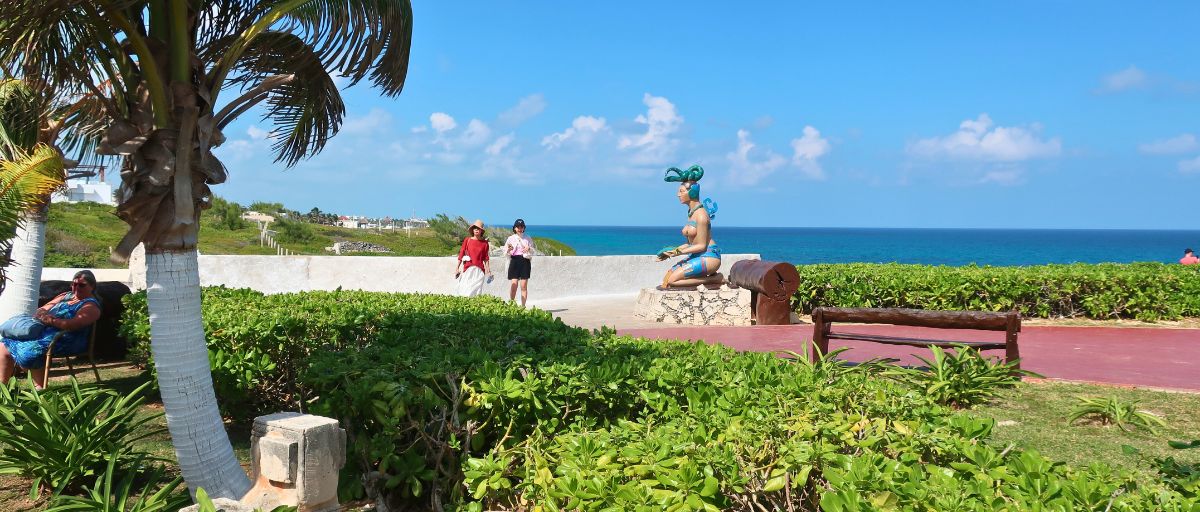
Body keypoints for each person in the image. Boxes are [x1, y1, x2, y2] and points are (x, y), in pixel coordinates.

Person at [0, 270, 101, 388]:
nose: (76, 287)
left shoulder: (91, 306)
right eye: (74, 284)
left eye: (81, 285)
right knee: (4, 344)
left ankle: (40, 389)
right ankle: (3, 387)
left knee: (30, 350)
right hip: (45, 334)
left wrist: (51, 320)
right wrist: (43, 315)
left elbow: (72, 325)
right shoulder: (66, 296)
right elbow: (42, 309)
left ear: (92, 286)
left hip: (67, 340)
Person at [657, 165, 723, 289]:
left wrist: (677, 252)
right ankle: (711, 279)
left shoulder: (701, 216)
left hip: (709, 257)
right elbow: (690, 244)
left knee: (672, 281)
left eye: (681, 191)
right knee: (667, 279)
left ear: (692, 192)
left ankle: (715, 279)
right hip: (697, 255)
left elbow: (701, 246)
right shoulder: (691, 213)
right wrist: (671, 251)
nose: (678, 195)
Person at [455, 220, 493, 296]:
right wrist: (457, 268)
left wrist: (488, 271)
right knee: (465, 290)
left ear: (481, 231)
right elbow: (461, 254)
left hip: (479, 271)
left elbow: (486, 258)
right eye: (475, 228)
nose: (476, 229)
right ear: (472, 230)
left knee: (476, 292)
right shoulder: (467, 240)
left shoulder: (485, 243)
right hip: (468, 269)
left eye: (478, 228)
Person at [504, 218, 534, 306]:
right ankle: (511, 305)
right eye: (518, 227)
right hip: (514, 261)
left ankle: (523, 306)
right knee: (514, 285)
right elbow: (505, 250)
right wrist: (508, 249)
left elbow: (533, 250)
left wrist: (529, 248)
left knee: (524, 286)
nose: (520, 228)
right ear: (515, 228)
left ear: (524, 228)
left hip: (525, 262)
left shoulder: (528, 238)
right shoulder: (510, 238)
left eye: (521, 226)